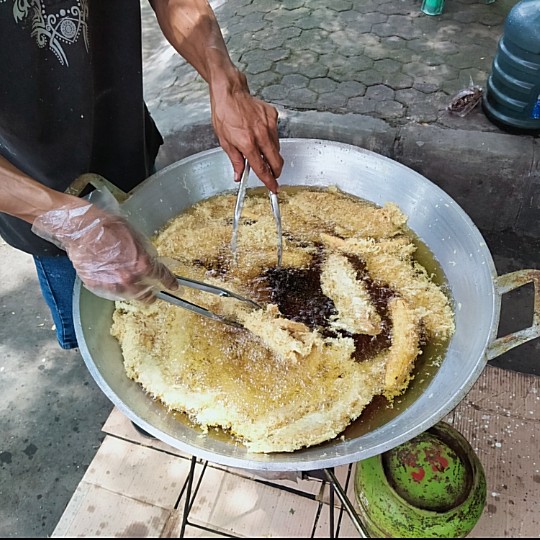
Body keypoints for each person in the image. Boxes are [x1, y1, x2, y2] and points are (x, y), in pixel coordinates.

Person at [0, 0, 284, 350]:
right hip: (36, 201)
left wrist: (225, 79)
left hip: (126, 143)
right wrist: (71, 222)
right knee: (103, 340)